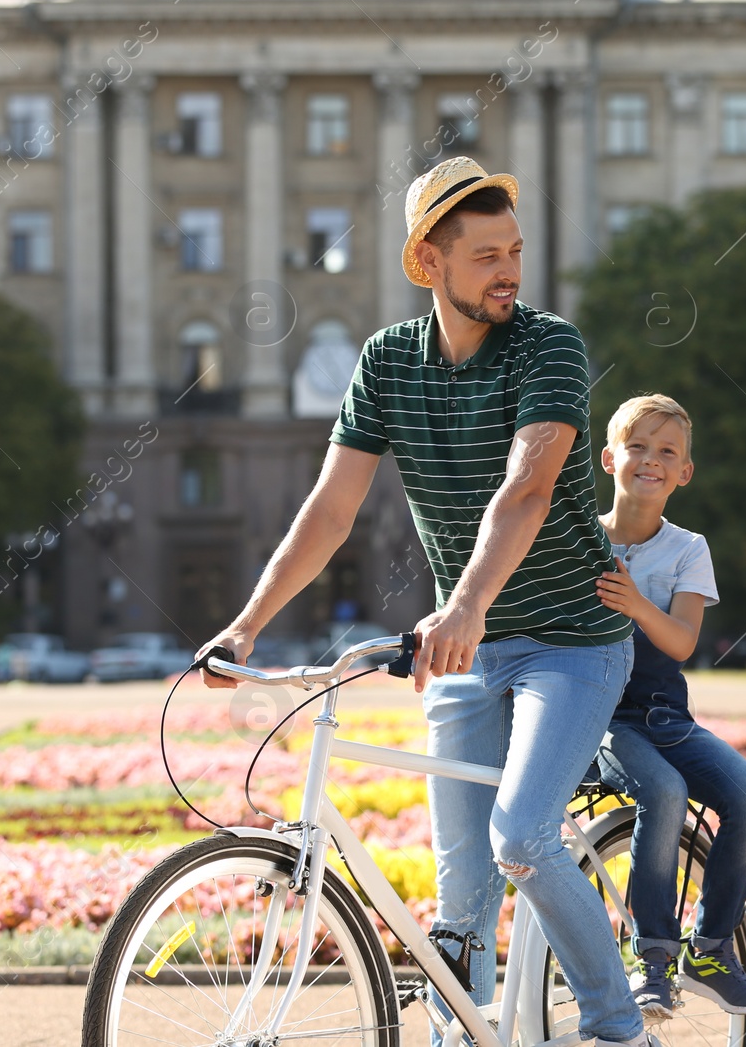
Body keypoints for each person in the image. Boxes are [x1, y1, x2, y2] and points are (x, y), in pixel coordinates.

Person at [199, 156, 654, 1047]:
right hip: (465, 650)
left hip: (572, 641)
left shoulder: (549, 344)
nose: (508, 270)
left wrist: (468, 603)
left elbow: (525, 490)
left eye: (514, 250)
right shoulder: (386, 361)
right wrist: (247, 623)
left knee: (522, 835)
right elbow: (332, 509)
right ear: (430, 262)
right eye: (485, 254)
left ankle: (619, 1027)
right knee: (460, 901)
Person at [591, 394, 746, 1019]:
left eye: (667, 452)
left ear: (684, 473)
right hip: (596, 718)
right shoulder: (579, 540)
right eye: (638, 447)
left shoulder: (688, 549)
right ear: (609, 458)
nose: (651, 460)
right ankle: (654, 962)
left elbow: (683, 641)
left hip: (665, 716)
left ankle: (710, 949)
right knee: (665, 793)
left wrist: (638, 604)